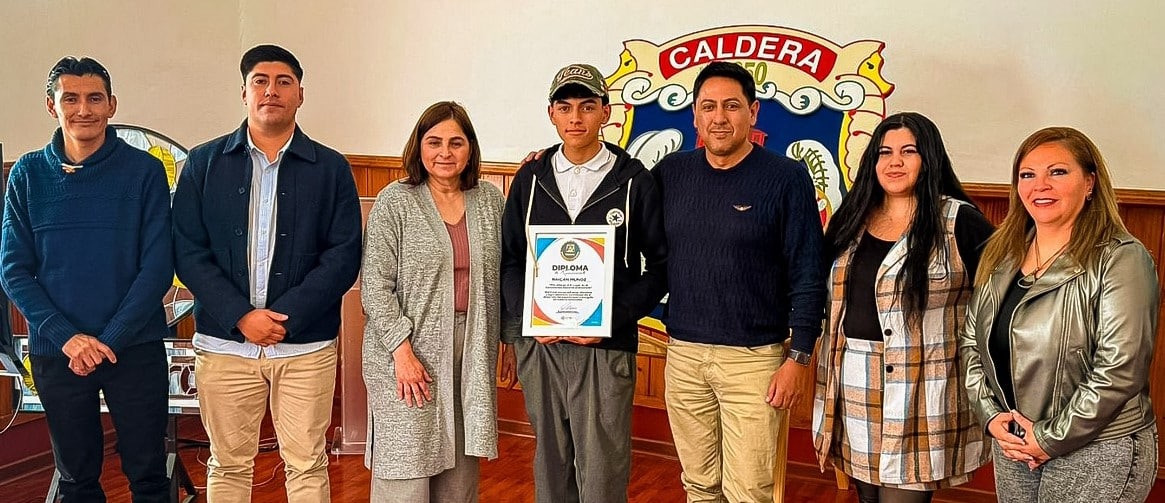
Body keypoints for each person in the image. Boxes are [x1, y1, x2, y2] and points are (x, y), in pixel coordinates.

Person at [172, 44, 362, 502]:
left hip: (305, 346)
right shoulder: (203, 163)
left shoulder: (331, 167)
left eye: (283, 82)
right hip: (224, 344)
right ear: (244, 93)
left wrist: (284, 319)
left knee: (307, 464)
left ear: (300, 94)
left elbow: (342, 256)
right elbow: (187, 252)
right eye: (260, 81)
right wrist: (241, 316)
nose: (271, 91)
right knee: (228, 464)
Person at [651, 61, 827, 503]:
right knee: (699, 486)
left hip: (754, 362)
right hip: (684, 355)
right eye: (708, 106)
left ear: (753, 111)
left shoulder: (786, 178)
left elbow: (809, 272)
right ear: (694, 115)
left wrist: (799, 357)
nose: (719, 117)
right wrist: (554, 160)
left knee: (749, 491)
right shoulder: (671, 172)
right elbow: (619, 199)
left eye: (731, 106)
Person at [1, 56, 173, 502]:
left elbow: (157, 267)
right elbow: (13, 270)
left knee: (149, 475)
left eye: (95, 98)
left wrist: (110, 339)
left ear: (111, 105)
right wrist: (69, 339)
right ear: (51, 106)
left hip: (134, 348)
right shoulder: (26, 175)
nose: (84, 109)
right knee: (76, 479)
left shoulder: (144, 171)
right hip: (58, 352)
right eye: (70, 99)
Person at [959, 127, 1158, 503]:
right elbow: (971, 342)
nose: (1040, 185)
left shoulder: (1122, 258)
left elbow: (1120, 369)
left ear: (1090, 182)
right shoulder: (1002, 255)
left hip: (1098, 447)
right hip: (1015, 439)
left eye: (1058, 172)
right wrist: (991, 416)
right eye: (1027, 174)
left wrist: (1049, 438)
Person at [499, 63, 668, 503]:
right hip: (542, 347)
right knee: (551, 462)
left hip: (605, 346)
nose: (576, 117)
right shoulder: (531, 178)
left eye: (587, 106)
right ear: (551, 114)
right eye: (565, 107)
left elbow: (659, 268)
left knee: (602, 466)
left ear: (605, 113)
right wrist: (530, 316)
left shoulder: (634, 180)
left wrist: (611, 318)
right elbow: (510, 258)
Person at [811, 112, 993, 503]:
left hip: (923, 384)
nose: (895, 162)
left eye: (908, 151)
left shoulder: (959, 220)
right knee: (868, 498)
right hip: (854, 378)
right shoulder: (852, 217)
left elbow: (999, 298)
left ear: (929, 158)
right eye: (885, 152)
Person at [361, 101, 503, 502]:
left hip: (471, 346)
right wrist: (401, 352)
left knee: (460, 465)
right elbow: (374, 285)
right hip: (408, 350)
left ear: (470, 148)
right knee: (406, 462)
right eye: (434, 142)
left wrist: (505, 338)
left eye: (456, 142)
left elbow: (506, 273)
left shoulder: (490, 201)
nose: (445, 152)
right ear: (418, 146)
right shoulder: (396, 201)